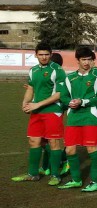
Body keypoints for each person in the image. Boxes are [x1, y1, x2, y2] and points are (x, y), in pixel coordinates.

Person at [11, 42, 66, 186]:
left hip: (53, 111)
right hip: (36, 111)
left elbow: (59, 94)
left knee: (53, 142)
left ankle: (55, 175)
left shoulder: (57, 70)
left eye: (47, 54)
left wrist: (38, 104)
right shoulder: (33, 70)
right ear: (36, 55)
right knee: (34, 141)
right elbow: (30, 88)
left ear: (51, 55)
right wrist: (25, 102)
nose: (44, 57)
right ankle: (33, 174)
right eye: (41, 54)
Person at [58, 47, 97, 192]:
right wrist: (69, 102)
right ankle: (76, 180)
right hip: (73, 117)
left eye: (89, 59)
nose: (86, 62)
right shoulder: (69, 77)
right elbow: (63, 95)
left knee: (91, 148)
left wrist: (82, 102)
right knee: (70, 150)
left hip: (90, 116)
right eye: (83, 59)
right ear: (77, 60)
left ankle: (95, 181)